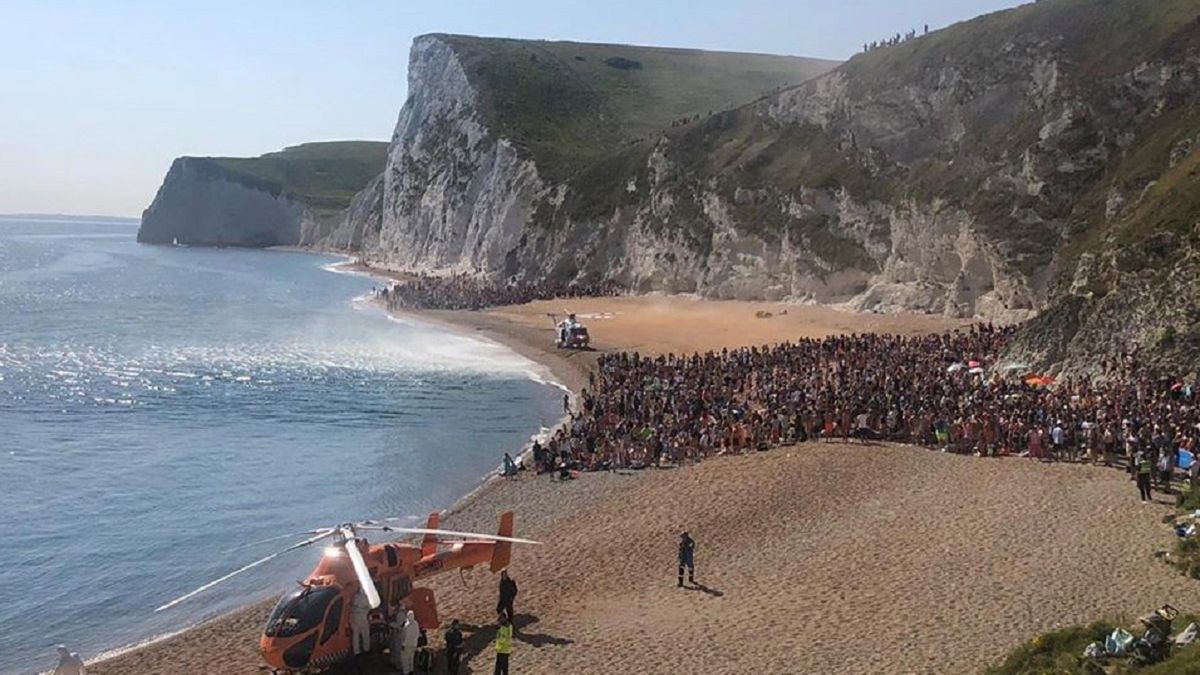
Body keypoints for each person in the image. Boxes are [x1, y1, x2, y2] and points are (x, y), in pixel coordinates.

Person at [350, 585, 372, 655]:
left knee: (355, 635)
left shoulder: (356, 597)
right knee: (365, 634)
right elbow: (370, 607)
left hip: (354, 617)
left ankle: (356, 651)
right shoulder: (366, 598)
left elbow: (351, 605)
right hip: (363, 617)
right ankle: (366, 649)